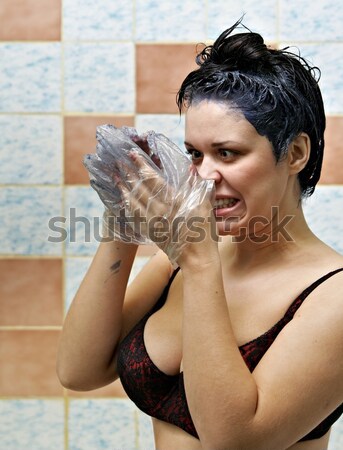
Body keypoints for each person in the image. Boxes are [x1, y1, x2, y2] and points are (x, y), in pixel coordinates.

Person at [57, 19, 343, 450]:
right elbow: (79, 370)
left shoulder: (332, 295)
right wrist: (123, 223)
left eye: (227, 153)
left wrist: (199, 259)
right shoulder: (178, 260)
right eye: (194, 153)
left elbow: (233, 441)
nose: (204, 178)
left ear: (296, 153)